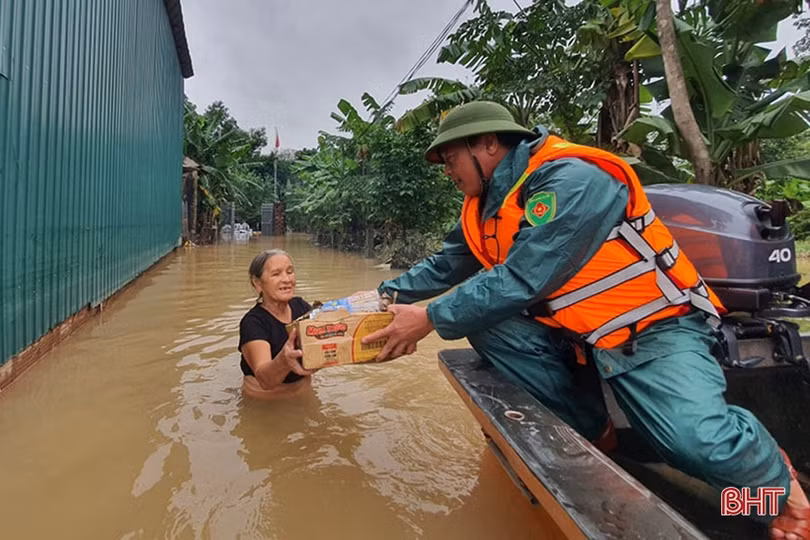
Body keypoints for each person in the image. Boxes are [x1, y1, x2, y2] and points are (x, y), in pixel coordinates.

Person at [363, 101, 809, 537]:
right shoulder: (483, 206)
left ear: (488, 145)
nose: (447, 171)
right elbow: (446, 266)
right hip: (580, 335)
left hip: (653, 332)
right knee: (482, 319)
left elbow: (522, 277)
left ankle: (778, 490)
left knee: (693, 442)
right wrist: (378, 297)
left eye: (451, 158)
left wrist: (429, 317)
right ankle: (596, 435)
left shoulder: (574, 178)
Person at [238, 249, 315, 400]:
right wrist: (284, 361)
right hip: (264, 405)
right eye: (276, 274)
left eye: (290, 272)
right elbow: (265, 380)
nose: (287, 279)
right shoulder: (253, 323)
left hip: (304, 395)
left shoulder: (302, 307)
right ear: (258, 283)